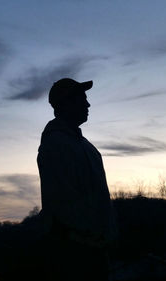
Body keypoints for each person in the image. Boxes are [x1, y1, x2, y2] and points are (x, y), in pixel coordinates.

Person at [37, 78, 118, 281]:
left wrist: (107, 237)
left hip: (95, 251)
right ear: (64, 104)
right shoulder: (55, 145)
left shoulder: (88, 148)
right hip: (73, 255)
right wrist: (86, 238)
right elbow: (62, 202)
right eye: (81, 98)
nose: (87, 104)